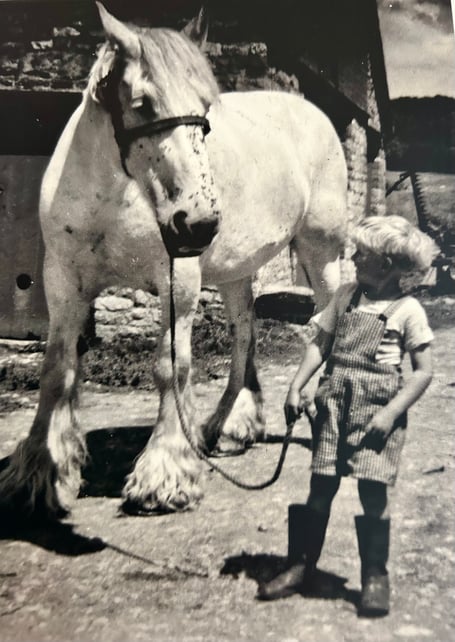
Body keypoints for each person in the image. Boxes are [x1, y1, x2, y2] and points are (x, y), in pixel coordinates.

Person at [257, 215, 438, 617]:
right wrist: (296, 385)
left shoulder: (408, 311)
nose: (353, 258)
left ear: (386, 265)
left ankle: (375, 577)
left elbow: (423, 372)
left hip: (377, 414)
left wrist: (391, 414)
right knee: (321, 486)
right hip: (335, 404)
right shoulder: (345, 296)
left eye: (362, 254)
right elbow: (320, 345)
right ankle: (301, 566)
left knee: (373, 493)